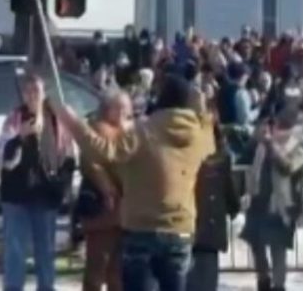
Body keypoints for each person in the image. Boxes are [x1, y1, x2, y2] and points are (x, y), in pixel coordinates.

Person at [56, 74, 215, 291]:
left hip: (142, 226)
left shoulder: (144, 131)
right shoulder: (198, 136)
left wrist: (75, 124)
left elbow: (105, 152)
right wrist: (202, 109)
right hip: (180, 228)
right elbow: (211, 141)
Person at [0, 74, 75, 291]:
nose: (31, 96)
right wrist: (18, 137)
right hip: (16, 196)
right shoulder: (15, 118)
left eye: (36, 91)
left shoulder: (56, 121)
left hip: (45, 196)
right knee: (15, 251)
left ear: (44, 93)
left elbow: (69, 157)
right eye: (27, 91)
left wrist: (60, 187)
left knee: (45, 251)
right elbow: (1, 155)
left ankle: (46, 287)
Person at [242, 108, 303, 291]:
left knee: (277, 249)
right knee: (256, 245)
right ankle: (263, 281)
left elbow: (287, 167)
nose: (275, 129)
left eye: (280, 125)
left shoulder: (299, 146)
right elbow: (249, 163)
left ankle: (278, 285)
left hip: (280, 206)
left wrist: (272, 145)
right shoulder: (261, 146)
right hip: (258, 203)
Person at [78, 90, 133, 291]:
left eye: (126, 108)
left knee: (117, 273)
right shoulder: (98, 130)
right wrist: (107, 189)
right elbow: (91, 164)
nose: (123, 112)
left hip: (124, 214)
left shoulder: (128, 132)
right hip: (103, 211)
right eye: (118, 107)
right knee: (97, 269)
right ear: (107, 109)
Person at [187, 120, 241, 291]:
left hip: (186, 224)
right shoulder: (221, 159)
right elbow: (229, 190)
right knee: (207, 279)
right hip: (211, 228)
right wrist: (234, 208)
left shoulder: (183, 156)